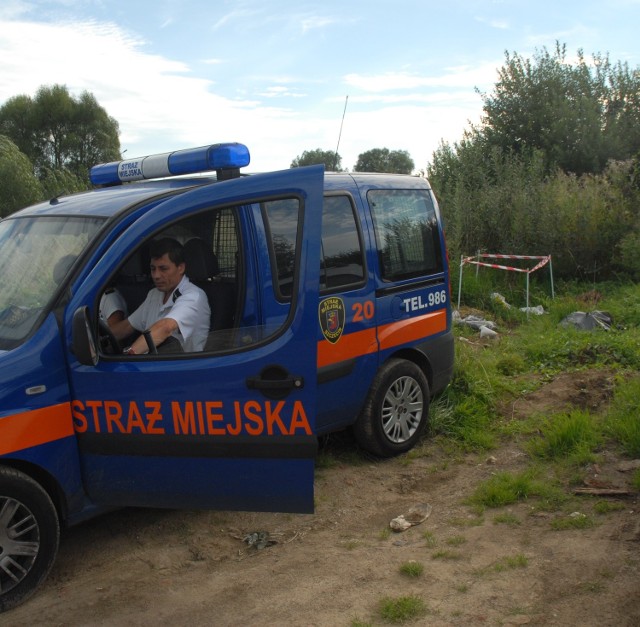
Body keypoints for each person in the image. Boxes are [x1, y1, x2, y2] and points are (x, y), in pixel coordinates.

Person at [111, 237, 210, 354]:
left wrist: (129, 354)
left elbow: (166, 327)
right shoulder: (155, 294)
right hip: (153, 364)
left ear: (181, 268)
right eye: (153, 269)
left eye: (163, 269)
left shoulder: (194, 297)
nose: (156, 275)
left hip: (179, 368)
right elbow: (127, 327)